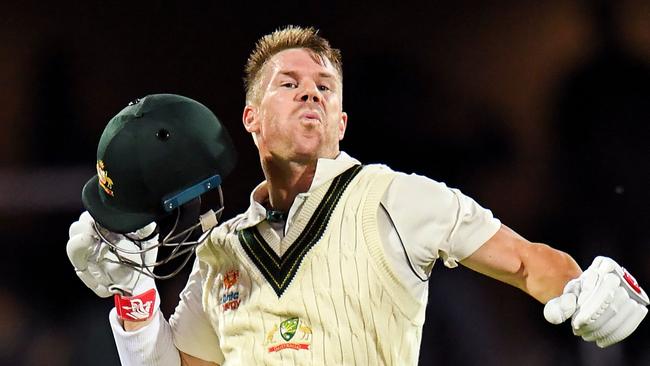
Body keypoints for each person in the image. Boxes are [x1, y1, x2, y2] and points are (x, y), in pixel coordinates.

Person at [67, 26, 648, 366]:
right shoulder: (221, 249)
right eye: (288, 85)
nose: (310, 95)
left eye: (325, 88)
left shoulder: (400, 200)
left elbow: (529, 261)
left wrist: (584, 286)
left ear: (342, 123)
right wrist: (133, 297)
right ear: (251, 117)